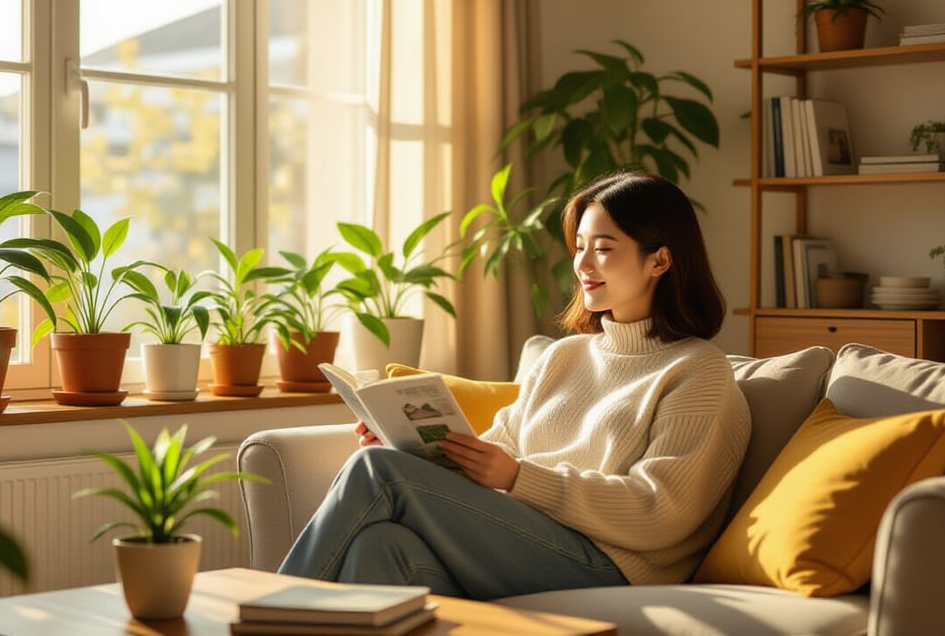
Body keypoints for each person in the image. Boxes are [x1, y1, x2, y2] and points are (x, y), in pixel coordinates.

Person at [278, 171, 751, 600]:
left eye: (603, 248)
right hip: (523, 540)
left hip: (610, 565)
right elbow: (494, 450)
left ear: (660, 261)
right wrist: (408, 447)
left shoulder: (698, 371)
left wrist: (520, 478)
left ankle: (266, 615)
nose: (583, 264)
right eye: (579, 246)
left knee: (377, 470)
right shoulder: (564, 356)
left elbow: (661, 511)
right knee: (380, 545)